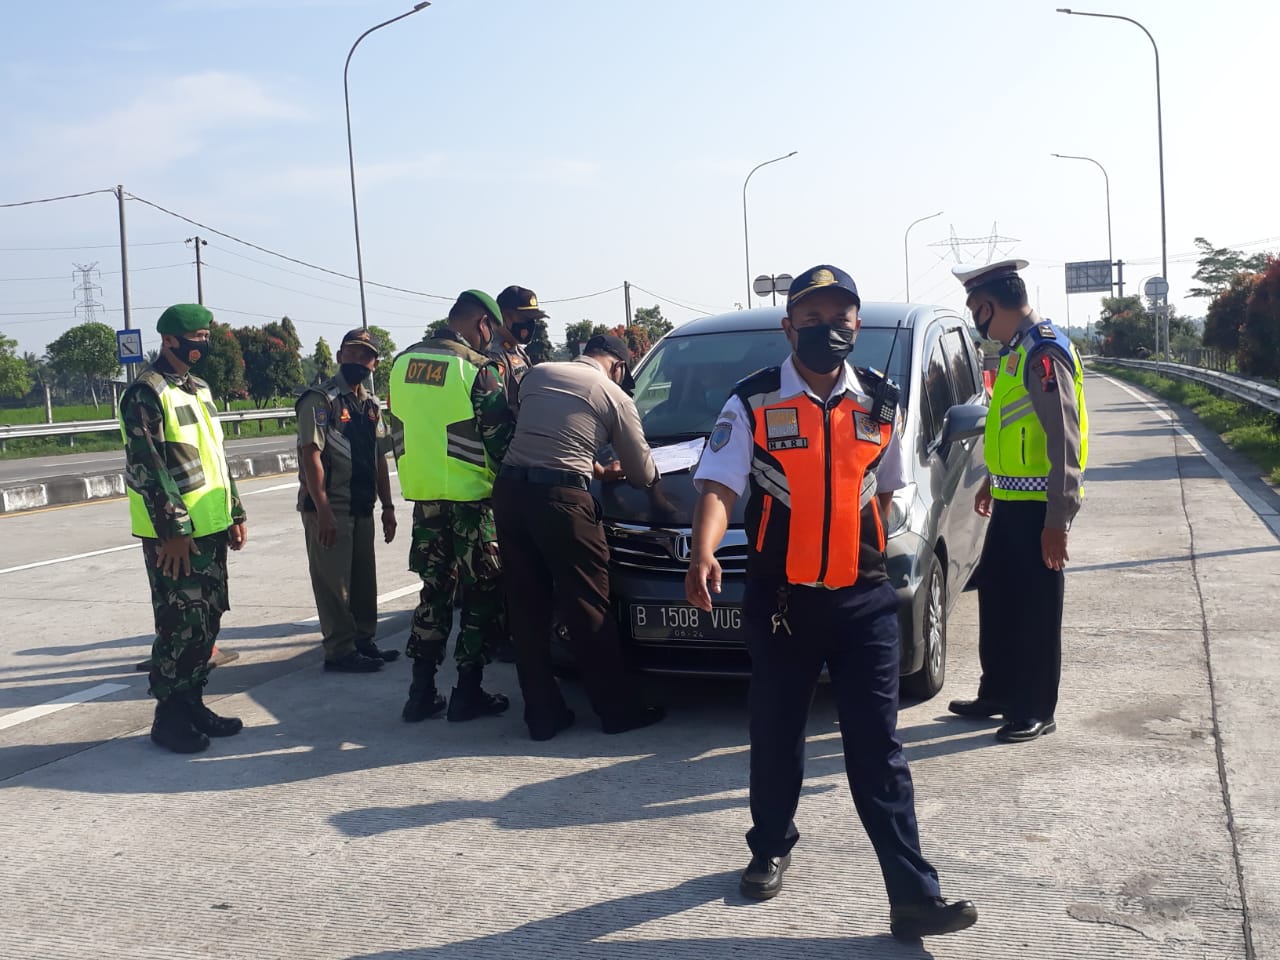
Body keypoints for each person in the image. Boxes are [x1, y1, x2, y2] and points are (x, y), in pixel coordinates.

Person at [685, 266, 977, 941]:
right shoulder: (752, 401)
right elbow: (720, 485)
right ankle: (769, 846)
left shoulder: (881, 401)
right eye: (812, 318)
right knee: (778, 736)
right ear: (789, 327)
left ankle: (913, 897)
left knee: (877, 748)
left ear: (856, 325)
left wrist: (856, 543)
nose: (828, 328)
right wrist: (704, 550)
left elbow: (886, 488)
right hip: (783, 603)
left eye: (840, 317)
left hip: (864, 601)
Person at [492, 333, 664, 741]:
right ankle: (617, 711)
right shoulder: (613, 395)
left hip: (511, 493)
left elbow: (543, 429)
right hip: (563, 502)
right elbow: (642, 475)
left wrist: (592, 466)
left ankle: (542, 716)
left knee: (526, 606)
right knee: (588, 603)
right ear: (619, 366)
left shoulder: (536, 373)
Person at [947, 259, 1089, 743]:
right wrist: (993, 478)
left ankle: (1034, 707)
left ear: (989, 305)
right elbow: (1010, 426)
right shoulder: (1015, 351)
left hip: (1039, 510)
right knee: (1001, 602)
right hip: (1010, 499)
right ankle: (1000, 693)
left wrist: (1058, 520)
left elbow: (1063, 440)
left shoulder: (1043, 352)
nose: (974, 319)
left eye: (974, 309)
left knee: (1035, 611)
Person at [119, 303, 247, 754]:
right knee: (181, 624)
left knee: (208, 620)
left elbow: (215, 455)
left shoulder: (197, 389)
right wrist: (173, 530)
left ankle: (192, 702)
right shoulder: (146, 392)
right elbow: (148, 465)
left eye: (208, 335)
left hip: (209, 526)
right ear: (170, 340)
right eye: (197, 336)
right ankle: (168, 717)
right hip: (175, 535)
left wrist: (234, 510)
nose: (204, 343)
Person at [389, 290, 515, 723]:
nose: (490, 341)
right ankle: (467, 692)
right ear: (481, 323)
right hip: (474, 506)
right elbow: (500, 442)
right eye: (490, 332)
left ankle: (419, 693)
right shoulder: (476, 370)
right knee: (481, 595)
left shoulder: (401, 363)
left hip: (426, 504)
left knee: (433, 595)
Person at [296, 327, 399, 673]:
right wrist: (323, 508)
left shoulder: (370, 404)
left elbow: (378, 457)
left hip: (362, 504)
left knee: (362, 580)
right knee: (334, 584)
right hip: (331, 507)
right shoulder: (320, 400)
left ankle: (363, 640)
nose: (360, 361)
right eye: (353, 353)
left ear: (375, 363)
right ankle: (340, 650)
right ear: (340, 356)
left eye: (367, 356)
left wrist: (387, 506)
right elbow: (310, 454)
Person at [491, 285, 547, 413]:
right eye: (524, 319)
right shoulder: (495, 355)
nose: (530, 325)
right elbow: (496, 409)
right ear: (503, 317)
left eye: (533, 319)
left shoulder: (517, 350)